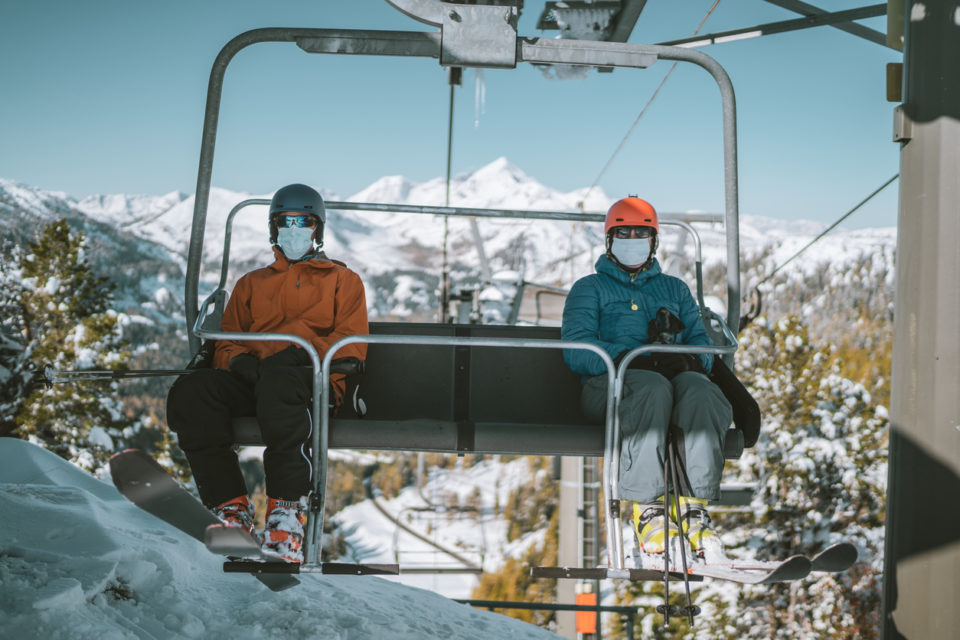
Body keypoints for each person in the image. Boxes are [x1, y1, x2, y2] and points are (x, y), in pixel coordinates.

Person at [167, 183, 368, 563]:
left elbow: (351, 344)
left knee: (280, 382)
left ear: (318, 229)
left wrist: (298, 358)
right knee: (193, 392)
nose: (294, 230)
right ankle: (232, 511)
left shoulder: (343, 281)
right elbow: (225, 341)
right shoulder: (250, 284)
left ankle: (287, 514)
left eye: (303, 222)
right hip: (255, 381)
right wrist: (241, 362)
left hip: (313, 384)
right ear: (273, 229)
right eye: (285, 222)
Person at [561, 196, 733, 564]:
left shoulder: (675, 290)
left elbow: (705, 351)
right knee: (651, 387)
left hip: (672, 386)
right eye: (624, 232)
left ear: (654, 242)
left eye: (642, 233)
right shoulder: (589, 288)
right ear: (610, 240)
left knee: (702, 391)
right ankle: (648, 511)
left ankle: (693, 509)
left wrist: (680, 353)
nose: (633, 239)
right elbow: (576, 350)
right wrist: (630, 356)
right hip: (609, 390)